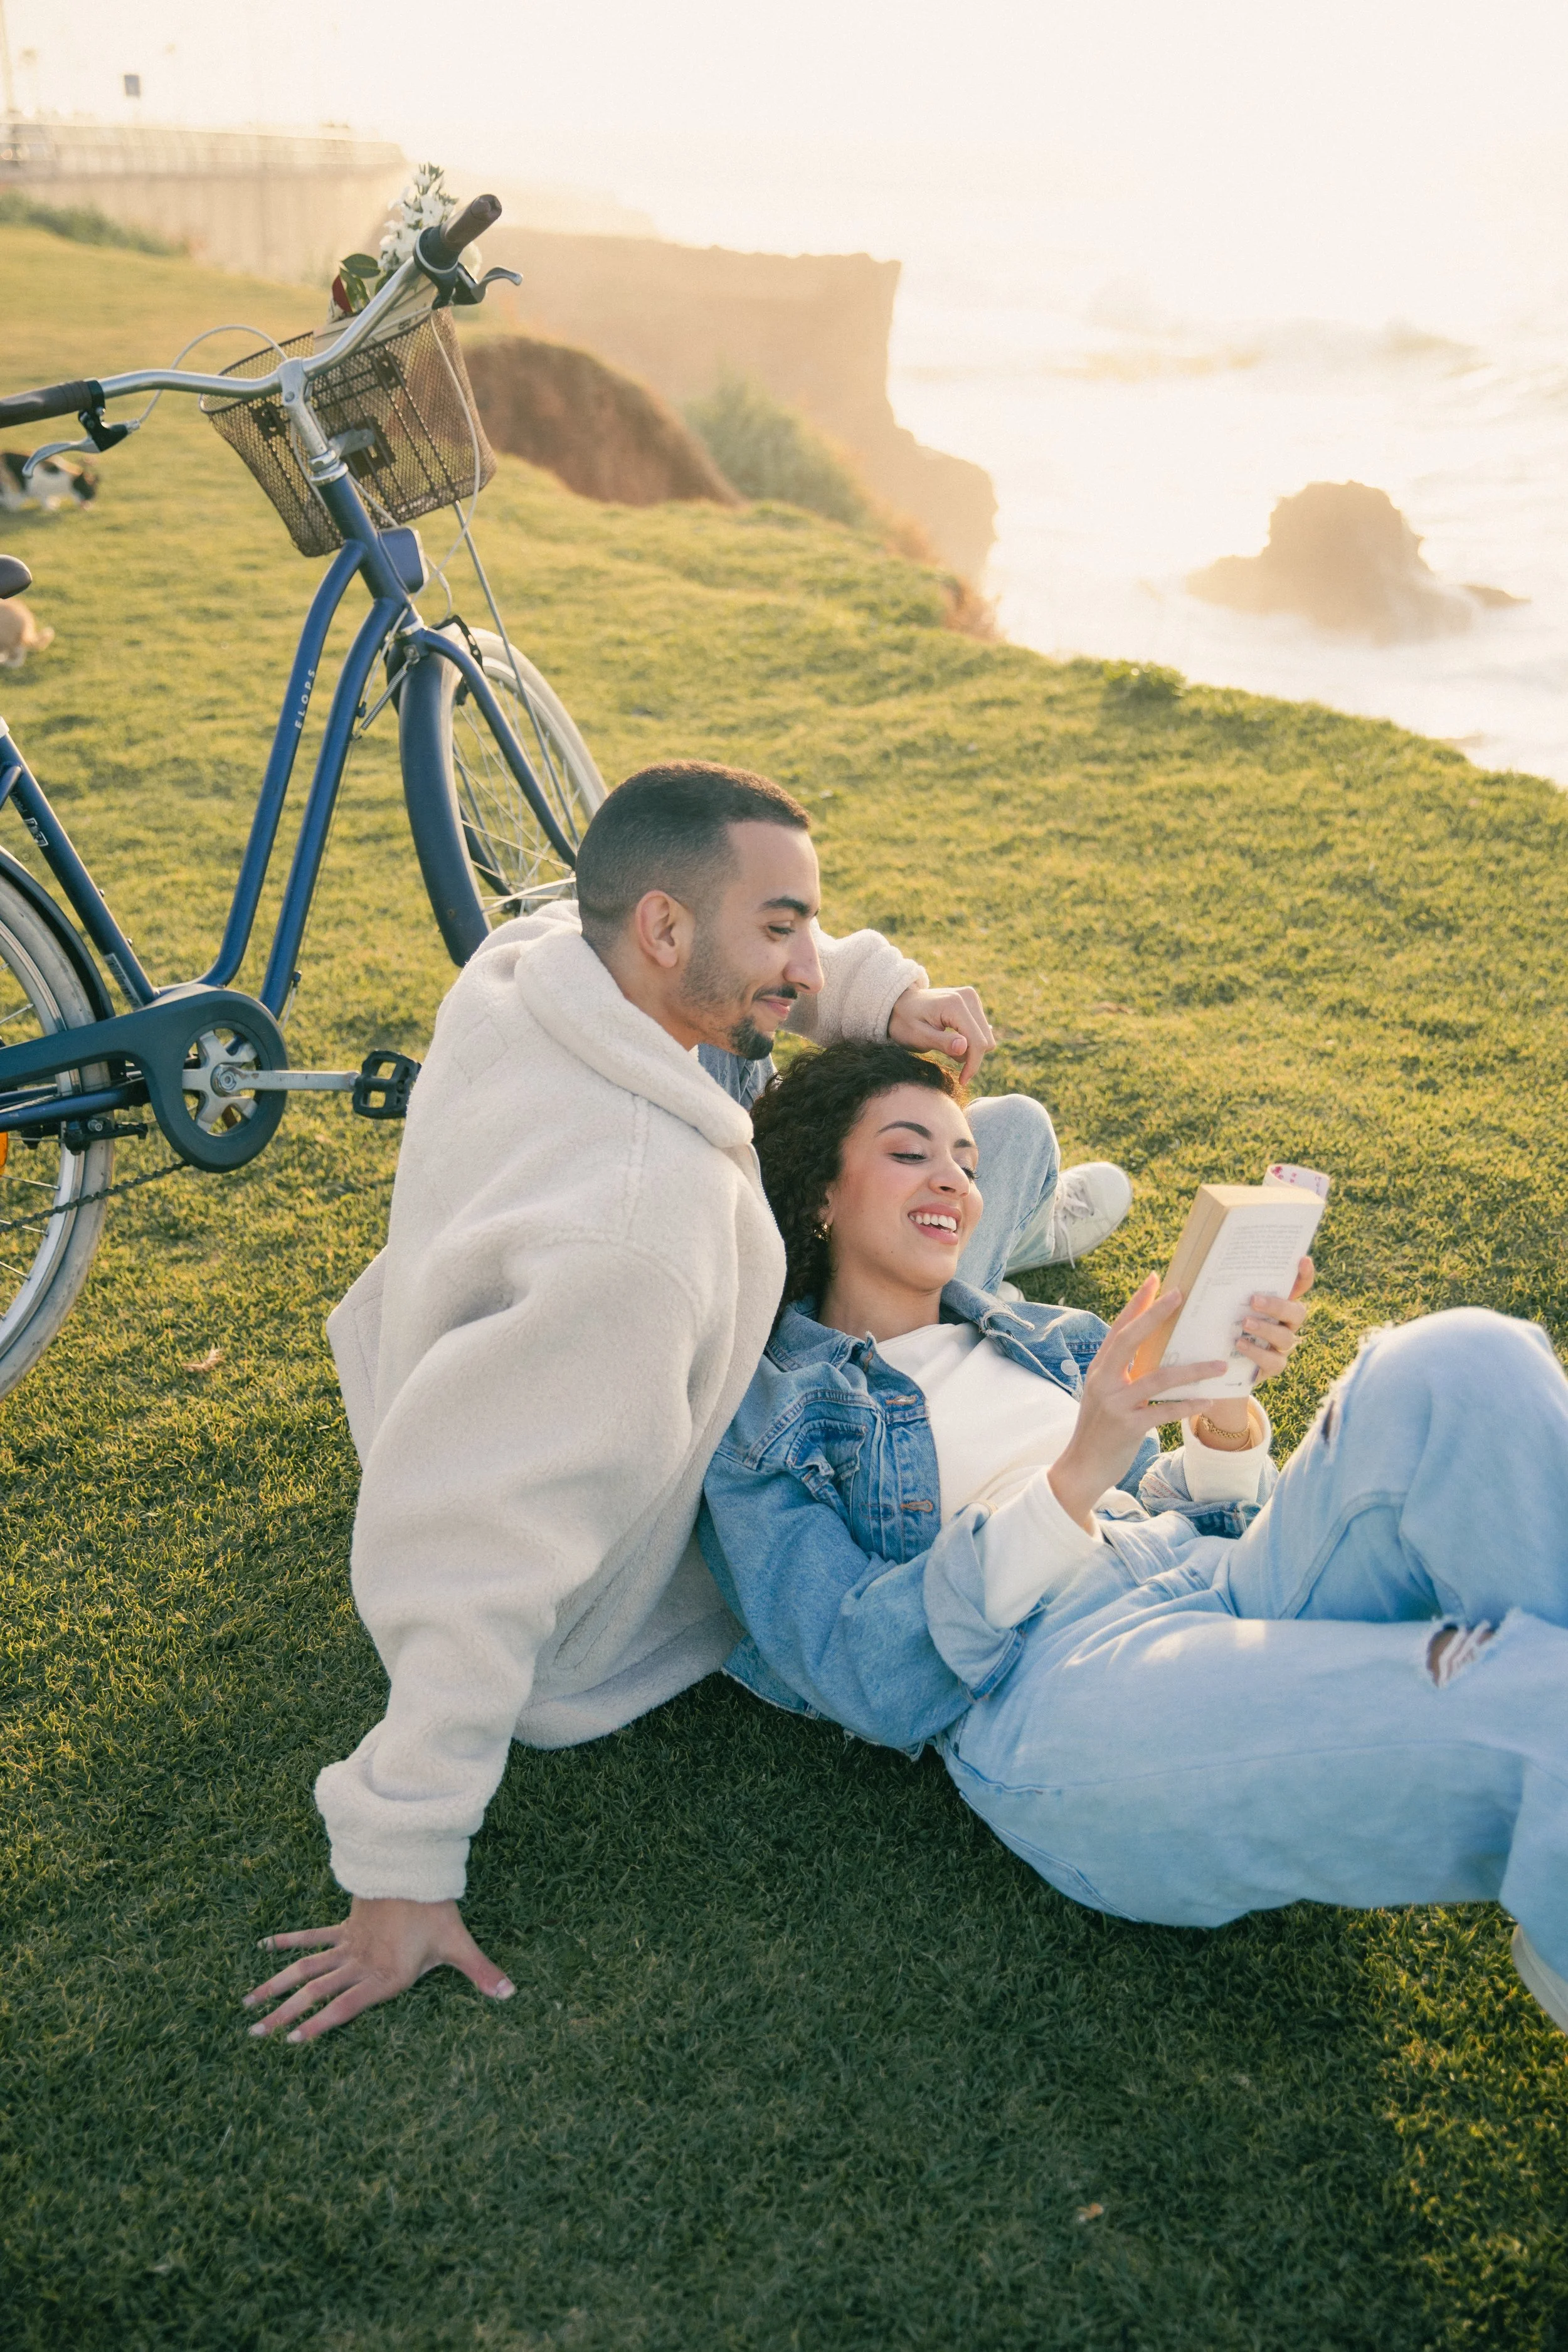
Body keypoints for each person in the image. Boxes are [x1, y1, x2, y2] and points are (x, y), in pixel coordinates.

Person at [243, 763, 1131, 2042]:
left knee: (1000, 1134)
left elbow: (760, 961)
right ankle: (982, 1249)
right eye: (782, 932)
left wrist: (893, 998)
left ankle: (994, 1228)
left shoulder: (537, 962)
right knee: (958, 1177)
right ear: (662, 929)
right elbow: (475, 1544)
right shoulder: (636, 1242)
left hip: (449, 1352)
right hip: (601, 1522)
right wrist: (402, 1862)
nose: (803, 959)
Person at [699, 1040, 1568, 2040]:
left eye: (968, 1161)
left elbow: (1206, 1518)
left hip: (1213, 1576)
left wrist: (1221, 1414)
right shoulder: (772, 1422)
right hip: (1061, 1683)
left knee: (1467, 1357)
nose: (954, 1179)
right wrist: (1080, 1465)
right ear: (818, 1193)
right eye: (911, 1153)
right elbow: (864, 1670)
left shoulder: (1044, 1333)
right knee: (1528, 1706)